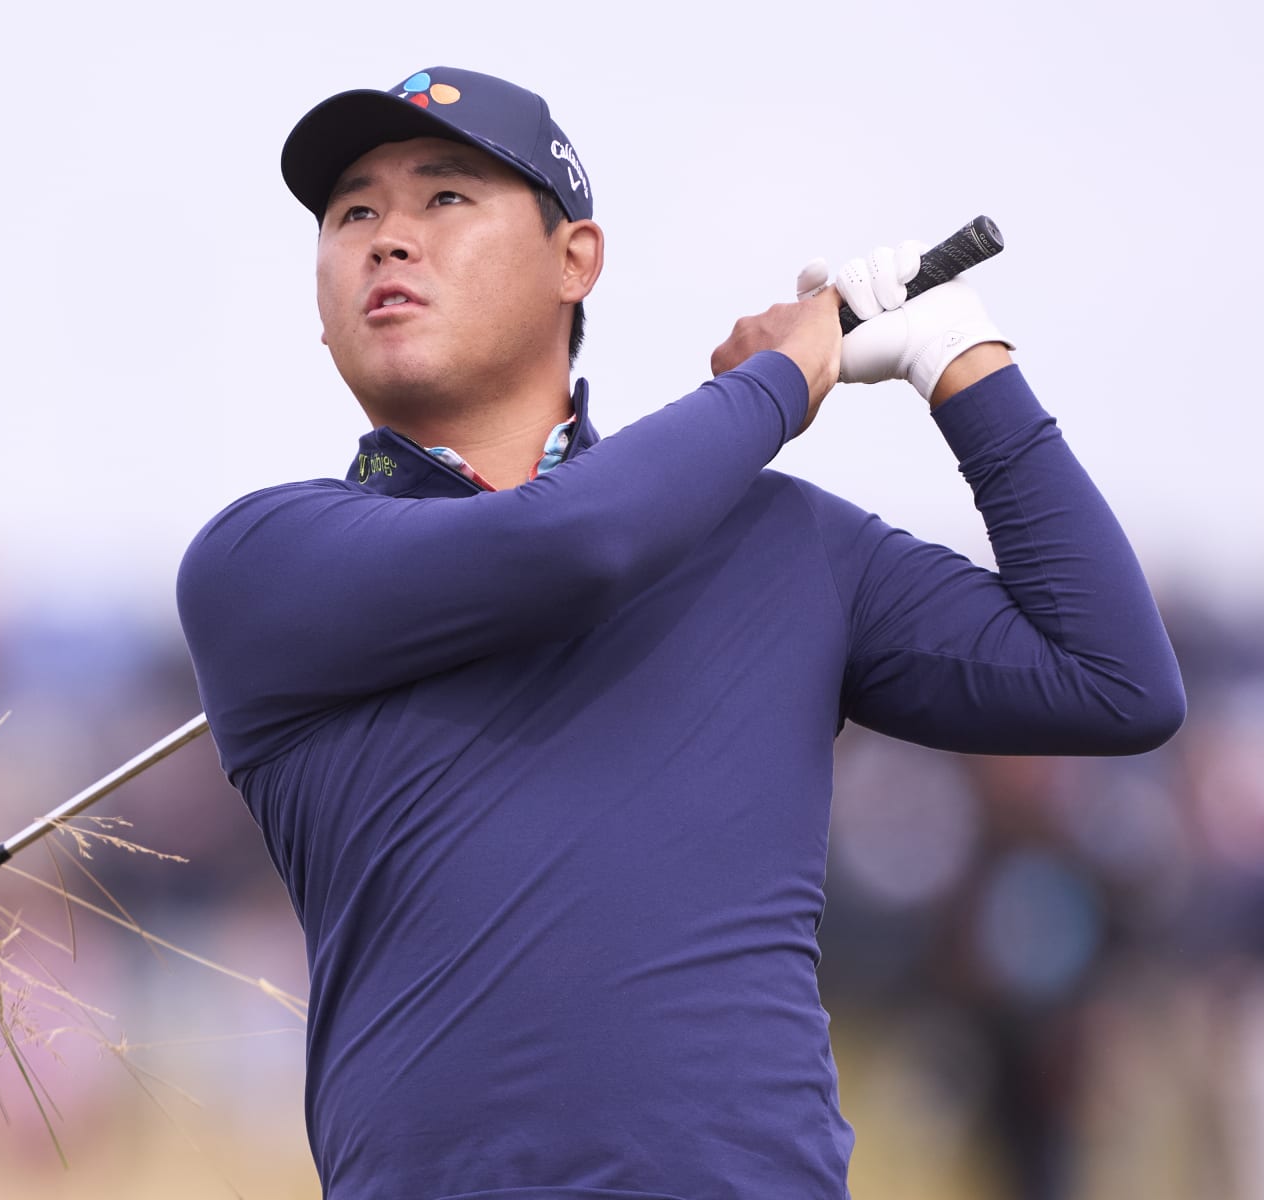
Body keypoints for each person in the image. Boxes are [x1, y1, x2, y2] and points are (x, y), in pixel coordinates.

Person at [175, 66, 1185, 1200]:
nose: (388, 241)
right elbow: (567, 549)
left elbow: (1112, 682)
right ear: (321, 312)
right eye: (353, 213)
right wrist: (773, 386)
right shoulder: (265, 558)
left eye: (445, 199)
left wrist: (961, 361)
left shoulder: (778, 541)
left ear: (577, 261)